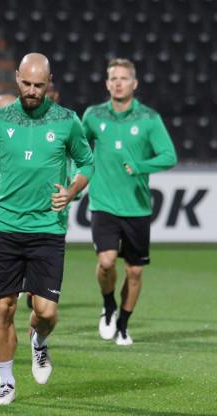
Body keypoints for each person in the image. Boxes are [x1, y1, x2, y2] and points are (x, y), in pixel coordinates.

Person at [0, 53, 95, 405]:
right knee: (3, 307)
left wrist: (72, 191)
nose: (32, 91)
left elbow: (86, 163)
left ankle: (39, 341)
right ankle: (6, 383)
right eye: (27, 83)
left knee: (46, 311)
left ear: (49, 82)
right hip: (5, 226)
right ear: (17, 77)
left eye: (39, 85)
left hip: (48, 227)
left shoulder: (67, 120)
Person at [81, 58, 177, 346]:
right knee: (106, 262)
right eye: (114, 78)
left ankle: (123, 325)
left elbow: (169, 156)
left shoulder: (149, 118)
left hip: (137, 206)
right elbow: (78, 148)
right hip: (103, 203)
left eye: (124, 78)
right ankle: (108, 304)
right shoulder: (93, 115)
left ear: (134, 84)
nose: (118, 83)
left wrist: (141, 166)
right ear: (107, 83)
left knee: (134, 271)